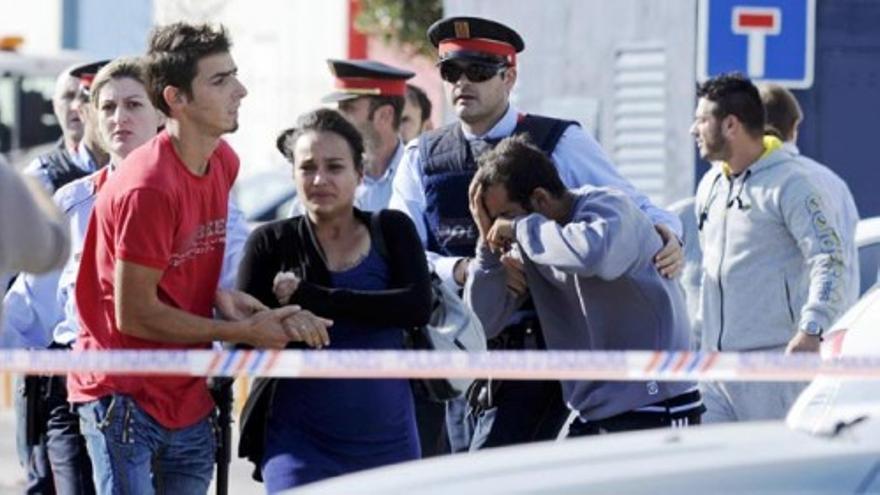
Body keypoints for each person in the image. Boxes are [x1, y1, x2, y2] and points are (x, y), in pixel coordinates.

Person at [390, 15, 684, 452]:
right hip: (456, 349)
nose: (462, 83)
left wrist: (669, 237)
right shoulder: (422, 156)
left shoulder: (559, 141)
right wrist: (463, 269)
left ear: (509, 77)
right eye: (451, 71)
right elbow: (403, 253)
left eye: (479, 71)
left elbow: (636, 209)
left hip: (538, 351)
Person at [66, 23, 303, 495]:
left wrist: (223, 298)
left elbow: (178, 264)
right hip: (124, 394)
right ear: (176, 99)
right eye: (220, 81)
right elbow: (134, 314)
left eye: (234, 75)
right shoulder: (148, 186)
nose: (241, 90)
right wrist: (238, 332)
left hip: (187, 390)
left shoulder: (223, 160)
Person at [237, 108, 432, 491]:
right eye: (307, 167)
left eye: (335, 167)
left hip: (387, 443)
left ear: (360, 173)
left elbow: (414, 307)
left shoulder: (392, 230)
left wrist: (315, 298)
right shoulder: (270, 242)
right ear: (292, 174)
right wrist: (286, 321)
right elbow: (241, 334)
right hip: (298, 445)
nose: (320, 179)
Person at [465, 135, 703, 434]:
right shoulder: (532, 236)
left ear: (540, 199)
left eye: (506, 216)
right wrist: (486, 248)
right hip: (594, 411)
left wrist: (519, 227)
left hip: (656, 401)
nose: (502, 228)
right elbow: (482, 323)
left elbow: (593, 256)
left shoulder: (609, 208)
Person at [692, 73, 845, 423]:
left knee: (776, 475)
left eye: (702, 119)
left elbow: (829, 259)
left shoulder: (791, 184)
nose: (694, 129)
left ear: (730, 125)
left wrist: (812, 329)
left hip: (774, 369)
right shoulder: (710, 185)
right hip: (714, 371)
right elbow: (707, 272)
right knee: (712, 473)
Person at [759, 83, 860, 306]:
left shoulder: (742, 183)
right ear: (794, 127)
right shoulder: (832, 182)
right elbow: (845, 265)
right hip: (827, 328)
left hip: (768, 333)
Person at [24, 62, 111, 193]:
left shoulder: (129, 162)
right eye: (68, 96)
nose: (76, 106)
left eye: (87, 98)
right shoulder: (44, 174)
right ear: (54, 105)